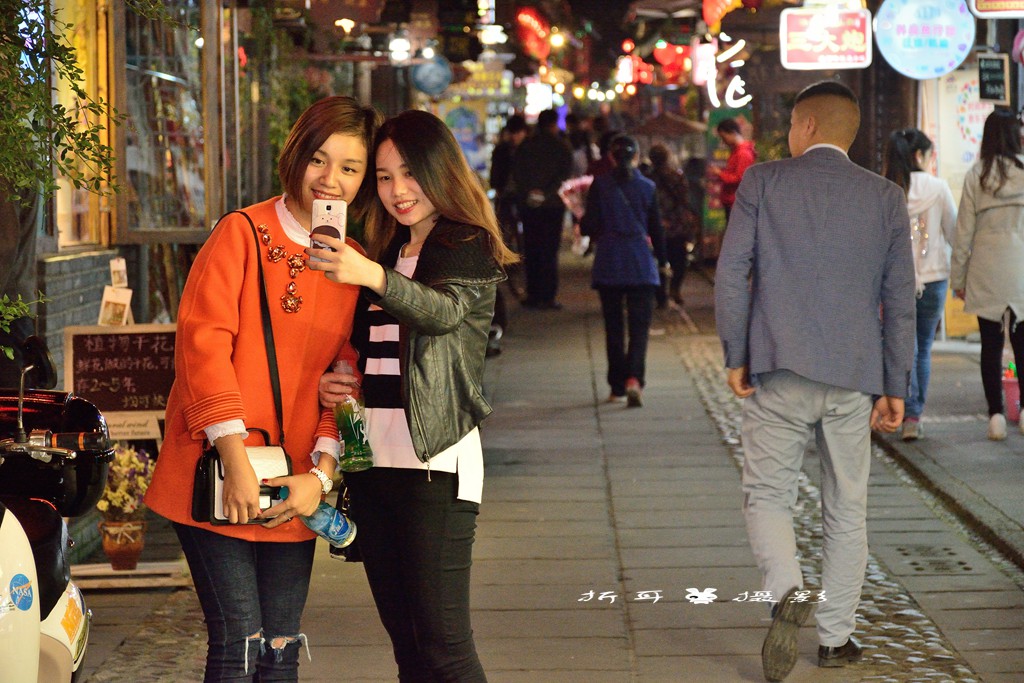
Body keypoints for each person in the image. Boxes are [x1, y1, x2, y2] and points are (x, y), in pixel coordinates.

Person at [144, 95, 380, 681]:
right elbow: (203, 348)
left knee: (280, 648)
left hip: (293, 482)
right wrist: (234, 459)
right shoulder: (242, 233)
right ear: (295, 155)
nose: (330, 179)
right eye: (319, 159)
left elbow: (344, 382)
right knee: (240, 643)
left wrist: (319, 479)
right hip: (217, 468)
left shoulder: (351, 263)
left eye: (349, 168)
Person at [714, 81, 915, 682]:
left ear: (804, 126)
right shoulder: (885, 196)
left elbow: (732, 271)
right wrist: (896, 385)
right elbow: (900, 299)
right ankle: (836, 637)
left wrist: (735, 352)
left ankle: (786, 591)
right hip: (854, 375)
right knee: (847, 505)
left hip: (779, 366)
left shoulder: (763, 182)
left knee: (767, 494)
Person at [308, 109, 517, 681]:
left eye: (410, 173)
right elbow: (362, 350)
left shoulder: (466, 242)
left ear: (440, 170)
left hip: (436, 467)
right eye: (383, 176)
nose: (398, 190)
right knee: (409, 650)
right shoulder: (385, 250)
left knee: (445, 649)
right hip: (372, 467)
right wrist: (335, 380)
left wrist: (372, 277)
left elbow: (443, 313)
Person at [950, 107, 1024, 441]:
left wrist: (959, 279)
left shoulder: (976, 175)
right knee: (1022, 343)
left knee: (990, 346)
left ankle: (996, 416)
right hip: (1021, 268)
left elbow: (963, 233)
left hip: (985, 267)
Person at [882, 128, 957, 441]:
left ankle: (893, 408)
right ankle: (912, 417)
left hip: (896, 281)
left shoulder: (887, 189)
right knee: (922, 348)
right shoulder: (938, 188)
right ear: (918, 155)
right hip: (934, 277)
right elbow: (954, 232)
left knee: (900, 347)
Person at [581, 135, 666, 407]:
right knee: (640, 328)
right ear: (636, 156)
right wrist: (663, 260)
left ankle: (616, 385)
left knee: (614, 327)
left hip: (609, 261)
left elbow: (589, 226)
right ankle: (634, 379)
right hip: (640, 262)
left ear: (611, 157)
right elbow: (656, 229)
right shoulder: (648, 187)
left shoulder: (600, 185)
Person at [512, 108, 573, 309]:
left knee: (531, 249)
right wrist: (546, 193)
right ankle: (548, 296)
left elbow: (517, 172)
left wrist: (531, 192)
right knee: (549, 250)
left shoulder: (526, 145)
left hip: (529, 205)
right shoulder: (561, 146)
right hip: (552, 205)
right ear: (554, 124)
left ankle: (533, 294)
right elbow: (565, 175)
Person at [645, 144, 697, 308]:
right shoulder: (677, 176)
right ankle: (675, 289)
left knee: (659, 259)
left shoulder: (647, 179)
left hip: (657, 225)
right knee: (679, 259)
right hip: (677, 224)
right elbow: (685, 200)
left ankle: (661, 294)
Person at [712, 117, 756, 222]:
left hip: (736, 203)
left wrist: (720, 173)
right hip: (732, 202)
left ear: (732, 132)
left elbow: (740, 178)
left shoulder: (743, 154)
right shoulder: (737, 151)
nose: (723, 142)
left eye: (724, 137)